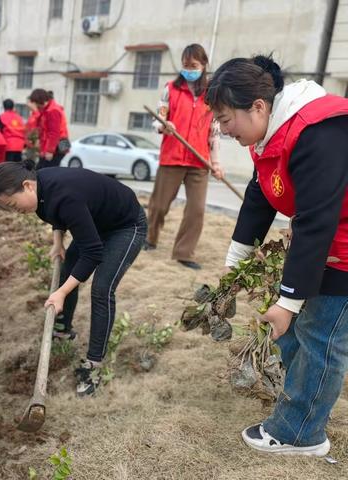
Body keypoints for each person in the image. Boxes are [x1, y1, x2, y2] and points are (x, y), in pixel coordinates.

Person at [205, 54, 348, 456]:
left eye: (224, 117)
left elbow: (317, 222)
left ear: (258, 106)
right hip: (324, 240)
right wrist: (236, 261)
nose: (222, 128)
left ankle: (301, 434)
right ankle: (299, 403)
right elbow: (258, 196)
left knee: (322, 338)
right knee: (298, 331)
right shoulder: (270, 134)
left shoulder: (317, 132)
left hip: (341, 246)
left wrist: (287, 302)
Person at [0, 162, 147, 395]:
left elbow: (92, 253)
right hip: (98, 223)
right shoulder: (41, 189)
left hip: (126, 226)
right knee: (70, 266)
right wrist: (58, 242)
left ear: (27, 186)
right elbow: (55, 214)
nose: (15, 211)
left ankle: (94, 364)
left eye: (13, 205)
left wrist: (61, 292)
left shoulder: (64, 195)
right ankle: (63, 330)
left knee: (102, 289)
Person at [144, 43, 223, 270]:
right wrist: (163, 126)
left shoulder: (211, 95)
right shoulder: (171, 89)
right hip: (172, 157)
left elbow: (214, 131)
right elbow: (158, 119)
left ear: (204, 65)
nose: (189, 69)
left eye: (194, 65)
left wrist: (216, 162)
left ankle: (184, 252)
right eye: (185, 65)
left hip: (199, 162)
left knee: (196, 209)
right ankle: (150, 238)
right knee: (159, 205)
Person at [28, 89, 70, 169]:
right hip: (59, 142)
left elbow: (54, 132)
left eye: (35, 103)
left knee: (45, 170)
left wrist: (50, 151)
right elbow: (41, 127)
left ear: (39, 101)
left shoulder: (53, 110)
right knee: (44, 169)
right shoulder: (48, 109)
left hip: (59, 143)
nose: (36, 105)